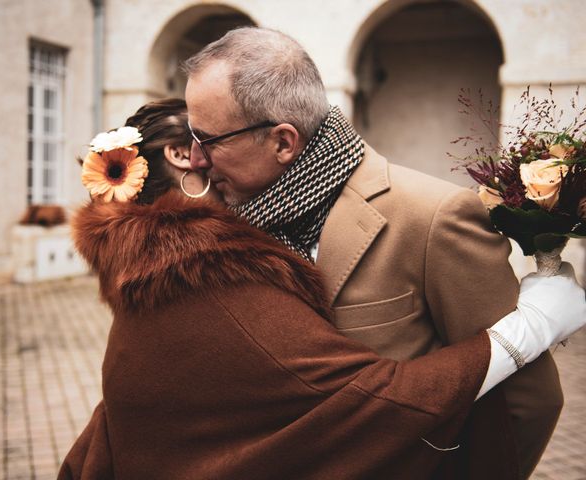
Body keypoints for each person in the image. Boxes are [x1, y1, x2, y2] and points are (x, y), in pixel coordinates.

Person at [59, 98, 585, 480]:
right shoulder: (211, 276)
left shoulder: (146, 272)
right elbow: (370, 400)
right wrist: (532, 324)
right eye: (216, 140)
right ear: (181, 155)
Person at [183, 27, 565, 478]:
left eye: (207, 140)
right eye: (191, 134)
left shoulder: (433, 217)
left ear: (283, 142)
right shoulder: (228, 223)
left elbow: (526, 402)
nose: (194, 159)